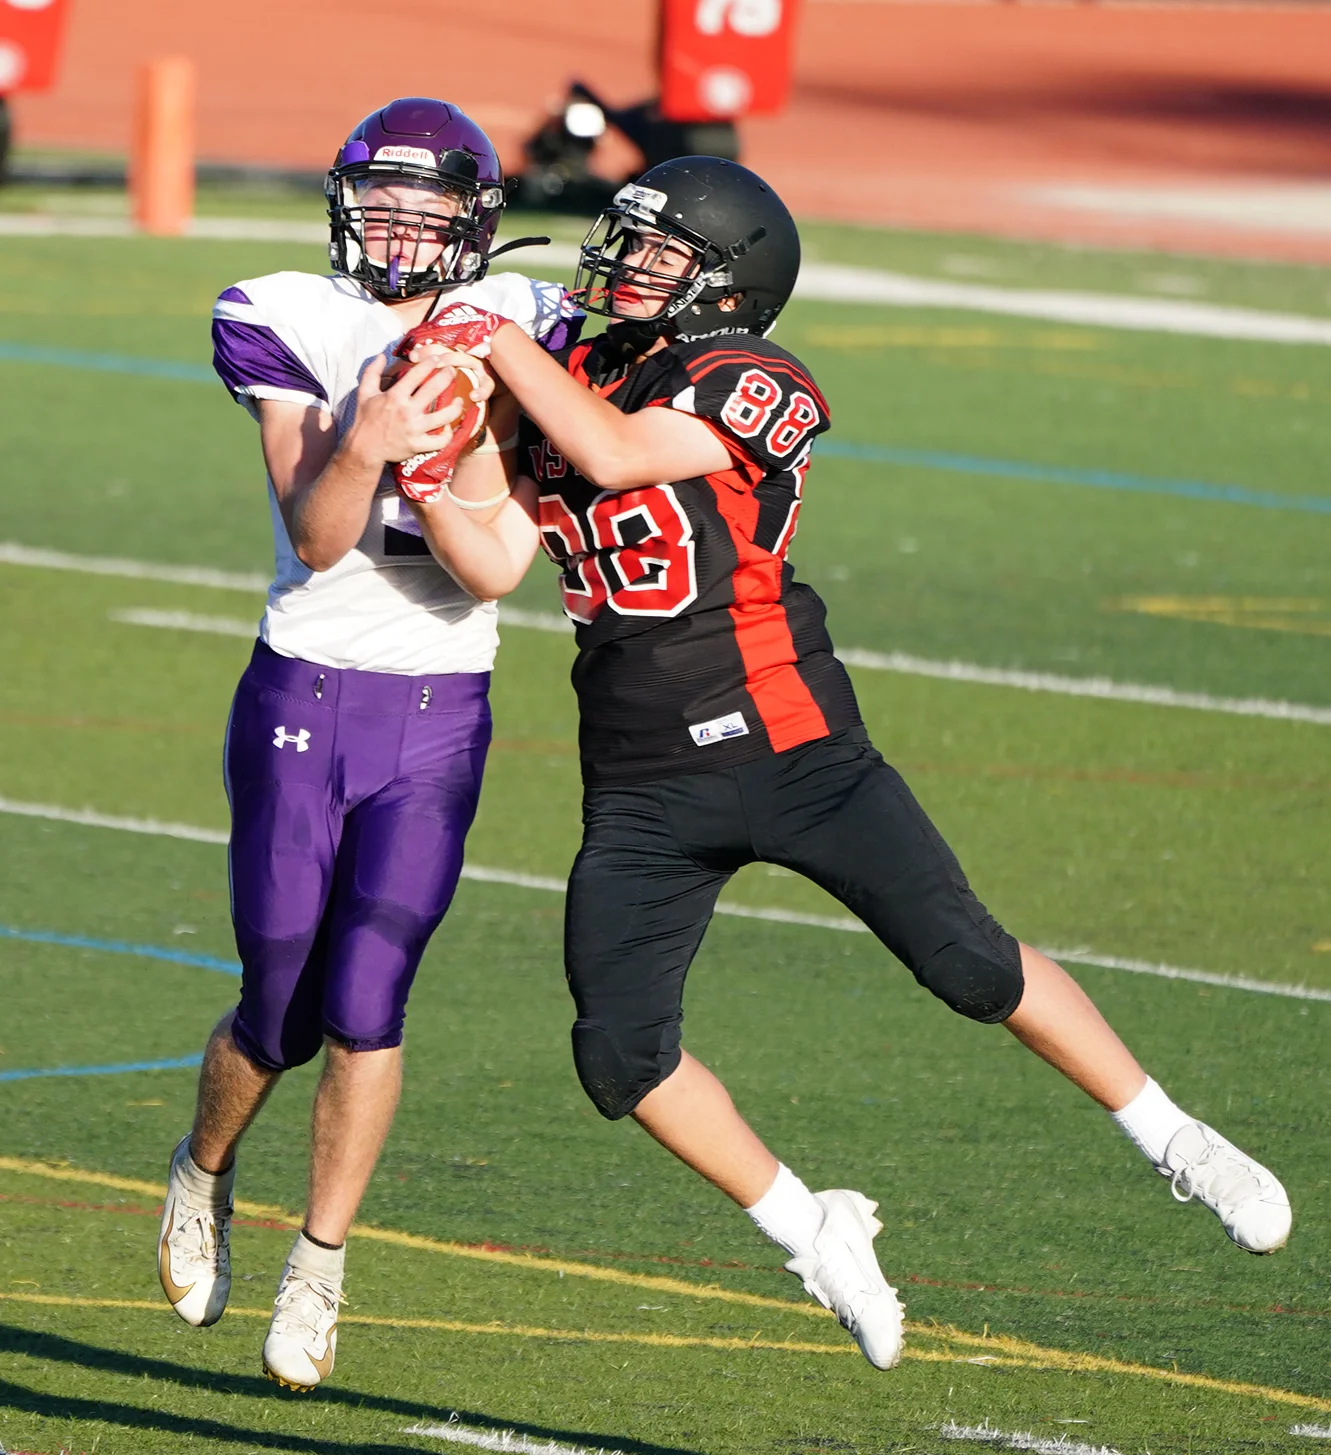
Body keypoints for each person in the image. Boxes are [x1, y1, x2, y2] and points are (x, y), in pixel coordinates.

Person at [386, 156, 1292, 1371]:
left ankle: (1176, 1139)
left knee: (967, 962)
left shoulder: (753, 377)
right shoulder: (579, 369)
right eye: (629, 242)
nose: (626, 266)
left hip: (790, 741)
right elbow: (495, 560)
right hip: (642, 775)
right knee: (617, 1056)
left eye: (658, 251)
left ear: (728, 280)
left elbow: (611, 456)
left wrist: (493, 337)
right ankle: (810, 1229)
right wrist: (432, 470)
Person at [155, 96, 580, 1392]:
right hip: (304, 683)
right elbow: (320, 532)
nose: (397, 229)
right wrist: (370, 443)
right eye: (378, 204)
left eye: (423, 208)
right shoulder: (284, 313)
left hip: (436, 703)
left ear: (473, 222)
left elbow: (502, 549)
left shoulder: (526, 319)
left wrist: (462, 448)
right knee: (278, 998)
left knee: (369, 998)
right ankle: (201, 1169)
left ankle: (321, 1260)